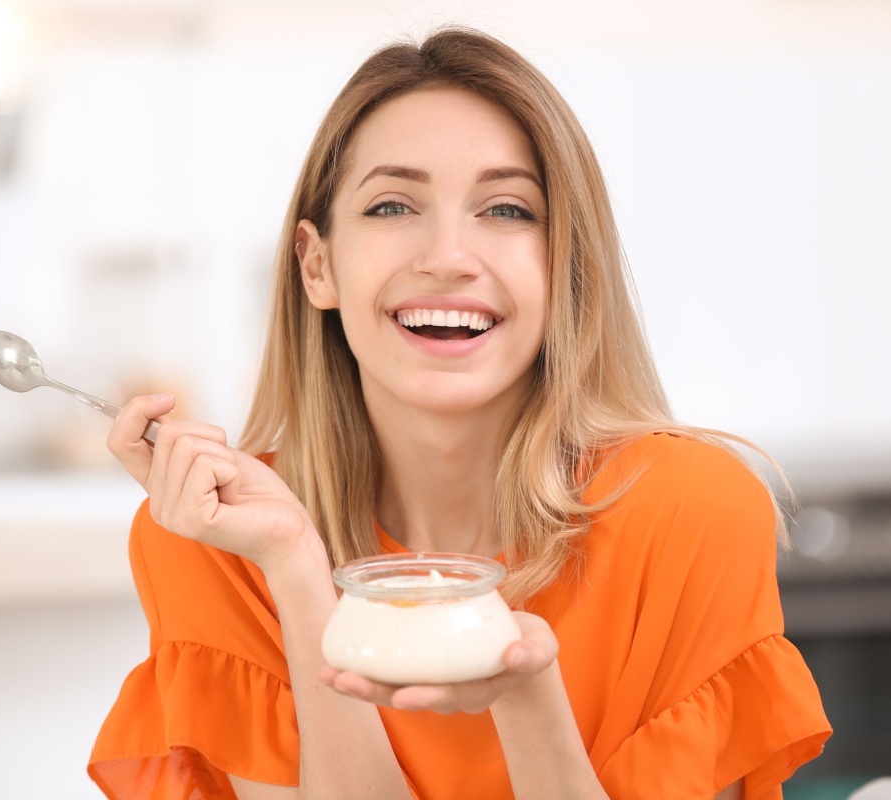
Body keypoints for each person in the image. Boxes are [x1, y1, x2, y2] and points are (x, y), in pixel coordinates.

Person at [88, 26, 832, 800]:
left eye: (507, 210)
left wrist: (525, 694)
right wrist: (296, 568)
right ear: (317, 265)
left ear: (563, 266)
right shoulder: (222, 538)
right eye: (391, 205)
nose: (448, 255)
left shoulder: (694, 513)